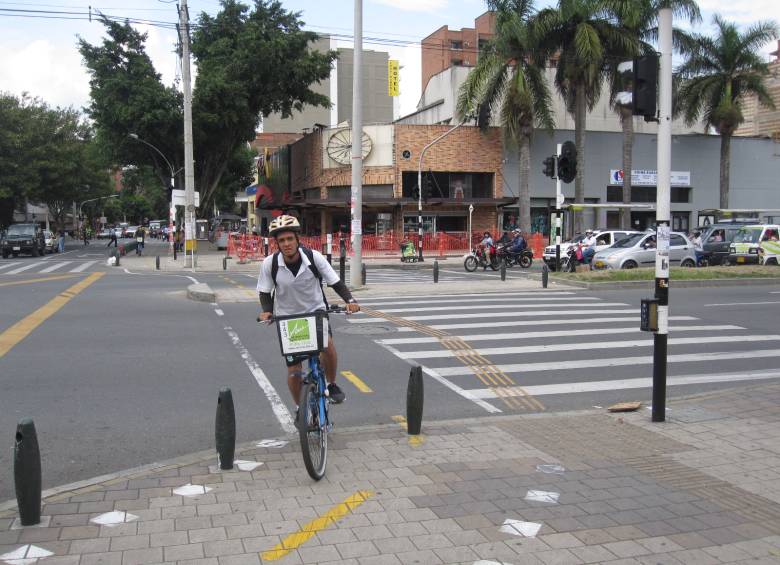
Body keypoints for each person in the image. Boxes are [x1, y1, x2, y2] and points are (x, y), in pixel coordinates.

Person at [257, 215, 360, 411]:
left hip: (316, 313)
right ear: (277, 244)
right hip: (289, 318)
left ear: (297, 239)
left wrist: (350, 300)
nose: (286, 244)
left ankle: (331, 384)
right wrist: (267, 311)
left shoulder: (314, 258)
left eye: (289, 239)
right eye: (281, 241)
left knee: (327, 347)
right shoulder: (270, 264)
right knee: (294, 371)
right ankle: (299, 409)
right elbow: (264, 291)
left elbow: (335, 282)